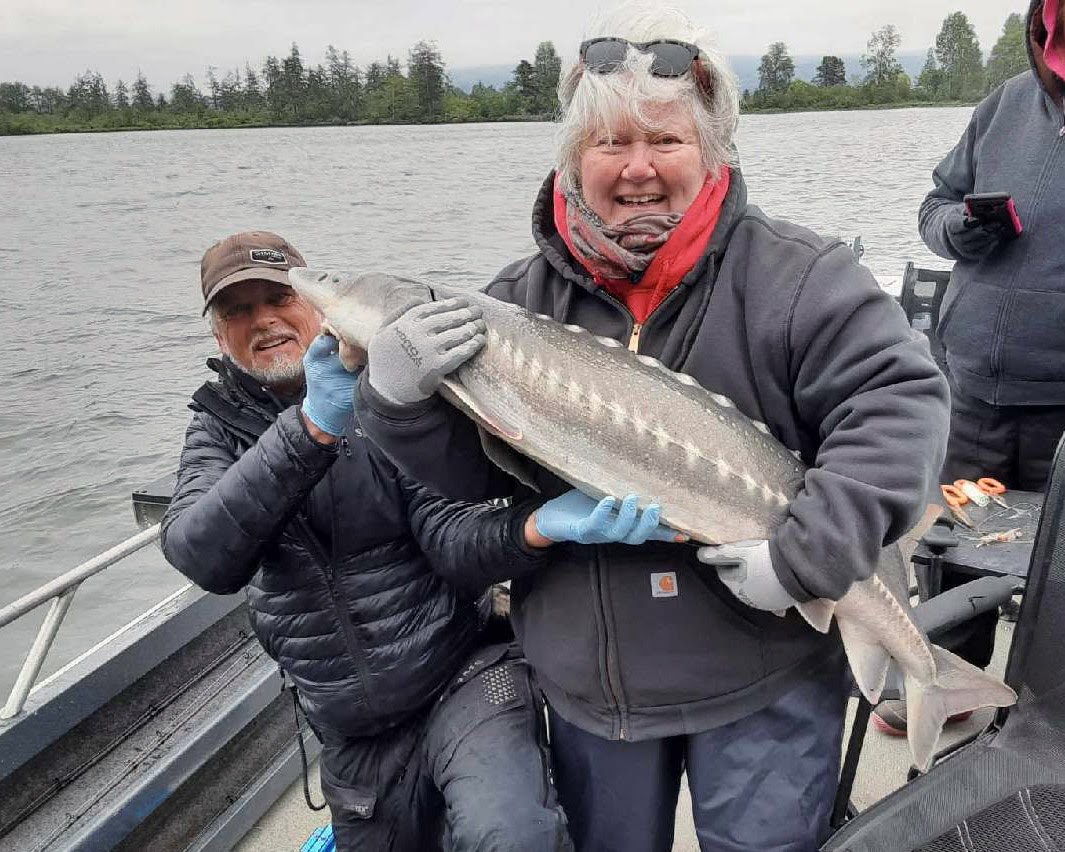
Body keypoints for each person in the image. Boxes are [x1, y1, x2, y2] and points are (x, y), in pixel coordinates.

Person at [353, 7, 950, 851]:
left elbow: (899, 406)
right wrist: (398, 404)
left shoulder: (799, 276)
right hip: (594, 690)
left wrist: (802, 557)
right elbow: (472, 482)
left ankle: (930, 678)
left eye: (664, 141)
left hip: (762, 674)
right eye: (609, 144)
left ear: (712, 152)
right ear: (571, 160)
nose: (637, 169)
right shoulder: (510, 305)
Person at [160, 231, 572, 852]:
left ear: (319, 307)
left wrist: (540, 525)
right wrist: (310, 429)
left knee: (511, 836)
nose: (263, 320)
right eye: (237, 310)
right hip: (350, 732)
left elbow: (453, 542)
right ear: (219, 336)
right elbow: (201, 554)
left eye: (278, 298)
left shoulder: (389, 392)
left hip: (463, 676)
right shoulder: (216, 429)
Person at [875, 0, 1065, 738]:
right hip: (972, 386)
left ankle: (1044, 714)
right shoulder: (1004, 106)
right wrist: (957, 227)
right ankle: (944, 687)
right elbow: (934, 203)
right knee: (957, 544)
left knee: (1057, 567)